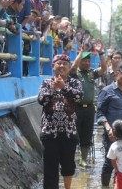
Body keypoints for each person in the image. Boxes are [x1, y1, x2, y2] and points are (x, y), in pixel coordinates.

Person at [38, 54, 83, 189]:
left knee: (68, 165)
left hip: (69, 131)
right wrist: (53, 87)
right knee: (50, 167)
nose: (62, 66)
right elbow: (41, 100)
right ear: (53, 66)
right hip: (49, 131)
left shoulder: (75, 83)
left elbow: (79, 97)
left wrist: (64, 87)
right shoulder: (46, 82)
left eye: (64, 63)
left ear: (69, 67)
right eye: (59, 63)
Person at [70, 39, 106, 168]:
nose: (87, 62)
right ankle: (71, 158)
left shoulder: (92, 73)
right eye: (84, 60)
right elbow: (73, 67)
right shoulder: (75, 73)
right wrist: (80, 53)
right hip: (76, 108)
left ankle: (83, 160)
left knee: (87, 134)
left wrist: (101, 53)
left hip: (89, 109)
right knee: (74, 134)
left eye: (88, 60)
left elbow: (104, 68)